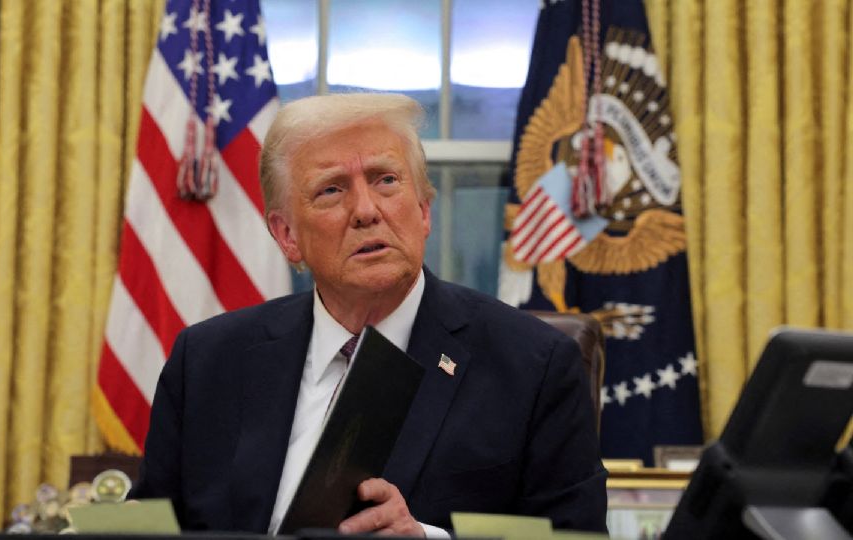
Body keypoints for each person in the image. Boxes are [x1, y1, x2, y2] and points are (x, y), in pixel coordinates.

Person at [130, 93, 607, 536]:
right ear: (286, 235)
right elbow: (149, 524)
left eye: (385, 180)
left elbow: (573, 535)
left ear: (424, 210)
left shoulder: (534, 365)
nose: (365, 210)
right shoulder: (208, 362)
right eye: (331, 190)